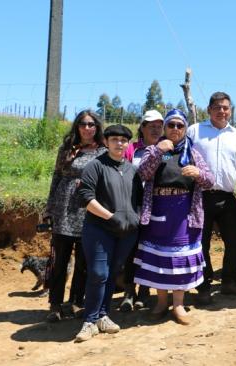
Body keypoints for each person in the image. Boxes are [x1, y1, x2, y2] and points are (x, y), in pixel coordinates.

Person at [133, 109, 214, 325]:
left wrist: (199, 174)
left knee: (179, 260)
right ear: (165, 128)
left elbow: (210, 180)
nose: (175, 129)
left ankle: (178, 304)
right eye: (171, 125)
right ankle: (161, 302)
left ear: (185, 129)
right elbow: (142, 174)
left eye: (180, 126)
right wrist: (159, 152)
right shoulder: (154, 149)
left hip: (184, 212)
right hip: (158, 210)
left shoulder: (193, 153)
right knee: (159, 257)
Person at [75, 124, 142, 342]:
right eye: (114, 139)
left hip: (126, 232)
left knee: (113, 273)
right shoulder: (96, 166)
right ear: (106, 142)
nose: (119, 143)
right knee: (98, 273)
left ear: (128, 144)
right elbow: (86, 197)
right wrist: (111, 217)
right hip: (99, 230)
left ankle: (103, 316)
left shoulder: (132, 170)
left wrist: (135, 220)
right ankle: (89, 320)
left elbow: (139, 200)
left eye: (123, 140)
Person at [186, 92, 236, 304]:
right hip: (199, 196)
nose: (222, 111)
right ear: (209, 110)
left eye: (226, 107)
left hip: (227, 196)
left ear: (230, 110)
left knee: (234, 241)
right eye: (217, 107)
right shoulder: (195, 131)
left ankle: (229, 281)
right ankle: (203, 285)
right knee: (200, 243)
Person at [43, 109, 106, 322]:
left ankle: (76, 302)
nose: (87, 128)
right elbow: (56, 176)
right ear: (77, 126)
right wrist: (49, 206)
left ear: (97, 128)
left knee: (83, 260)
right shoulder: (67, 149)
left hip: (88, 208)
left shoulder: (102, 151)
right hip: (64, 207)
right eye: (83, 124)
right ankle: (55, 303)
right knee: (60, 258)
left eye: (91, 124)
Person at [119, 109, 164, 312]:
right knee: (131, 249)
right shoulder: (132, 149)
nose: (155, 129)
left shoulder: (166, 148)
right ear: (142, 128)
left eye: (159, 126)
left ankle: (145, 291)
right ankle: (130, 291)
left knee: (149, 249)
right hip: (134, 205)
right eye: (151, 126)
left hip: (159, 206)